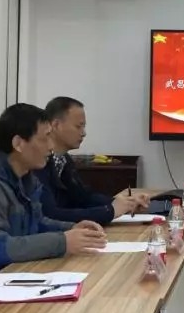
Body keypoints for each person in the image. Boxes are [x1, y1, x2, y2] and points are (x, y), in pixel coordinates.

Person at [0, 103, 107, 302]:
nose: (51, 146)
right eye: (45, 138)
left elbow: (36, 222)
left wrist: (72, 229)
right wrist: (62, 241)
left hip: (7, 281)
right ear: (18, 143)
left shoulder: (24, 177)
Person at [35, 96, 147, 226]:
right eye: (78, 126)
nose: (84, 133)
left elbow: (83, 198)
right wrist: (109, 211)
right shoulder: (38, 162)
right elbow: (50, 214)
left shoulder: (64, 159)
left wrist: (125, 203)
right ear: (56, 125)